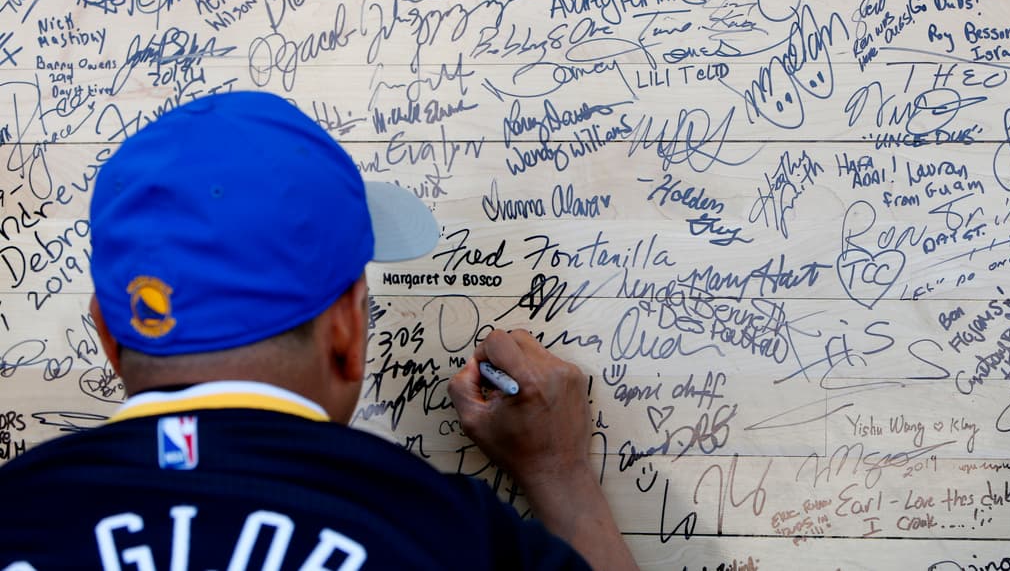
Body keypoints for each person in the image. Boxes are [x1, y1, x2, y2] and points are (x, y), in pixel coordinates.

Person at [0, 91, 639, 571]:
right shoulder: (449, 537)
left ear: (109, 336)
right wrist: (560, 474)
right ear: (344, 330)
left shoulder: (16, 516)